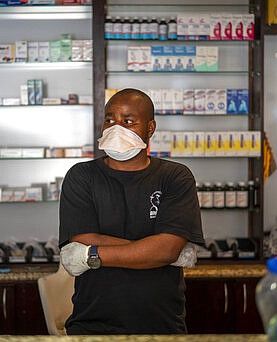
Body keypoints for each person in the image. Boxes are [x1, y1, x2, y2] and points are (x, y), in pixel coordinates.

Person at [58, 88, 205, 335]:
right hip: (93, 322)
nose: (117, 128)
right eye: (110, 120)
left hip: (162, 323)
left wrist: (92, 254)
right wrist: (156, 251)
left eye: (128, 121)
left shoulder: (175, 176)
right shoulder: (81, 176)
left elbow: (167, 249)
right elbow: (83, 239)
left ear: (150, 129)